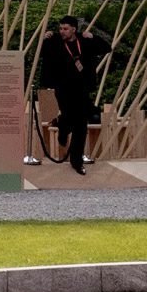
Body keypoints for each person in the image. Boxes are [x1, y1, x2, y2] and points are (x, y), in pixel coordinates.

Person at [37, 16, 103, 174]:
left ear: (74, 29)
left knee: (81, 124)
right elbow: (42, 54)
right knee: (70, 116)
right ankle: (63, 126)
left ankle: (76, 161)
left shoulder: (84, 41)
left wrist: (93, 37)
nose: (62, 31)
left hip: (81, 89)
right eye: (60, 28)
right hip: (63, 88)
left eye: (65, 29)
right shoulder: (55, 42)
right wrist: (43, 40)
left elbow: (106, 48)